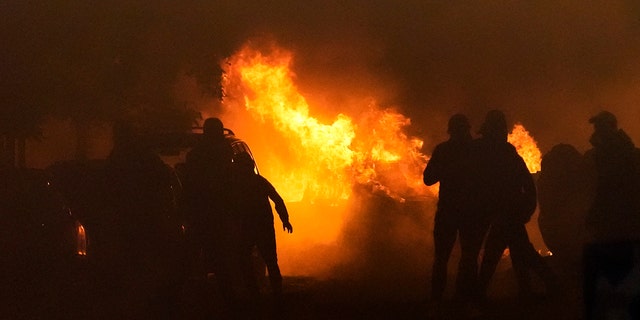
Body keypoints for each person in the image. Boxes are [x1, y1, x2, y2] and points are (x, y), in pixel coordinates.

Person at [473, 110, 557, 301]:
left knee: (497, 254)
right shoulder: (506, 155)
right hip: (509, 213)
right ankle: (534, 289)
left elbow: (526, 185)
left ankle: (479, 293)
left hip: (507, 214)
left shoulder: (501, 156)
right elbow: (527, 185)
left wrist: (524, 210)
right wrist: (525, 210)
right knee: (522, 253)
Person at [423, 114, 486, 303]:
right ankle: (464, 301)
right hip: (468, 212)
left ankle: (438, 303)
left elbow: (428, 179)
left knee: (444, 258)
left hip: (450, 211)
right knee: (468, 258)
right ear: (467, 129)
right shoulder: (476, 150)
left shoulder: (443, 150)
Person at [181, 117, 235, 300]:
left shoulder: (197, 155)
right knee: (220, 258)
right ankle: (227, 299)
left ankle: (197, 296)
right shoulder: (225, 153)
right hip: (215, 214)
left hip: (201, 214)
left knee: (195, 256)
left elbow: (187, 185)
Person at [230, 152, 293, 302]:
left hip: (250, 228)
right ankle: (276, 295)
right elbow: (277, 200)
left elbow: (277, 200)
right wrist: (285, 220)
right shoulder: (259, 182)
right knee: (270, 261)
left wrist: (285, 219)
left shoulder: (237, 186)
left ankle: (255, 293)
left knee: (246, 259)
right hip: (262, 227)